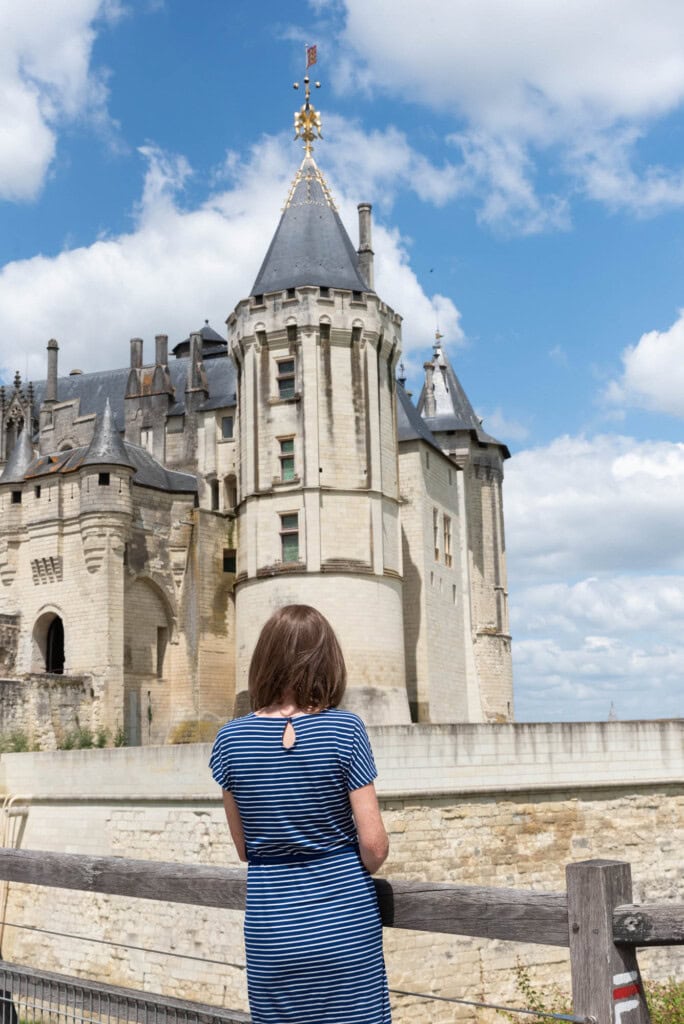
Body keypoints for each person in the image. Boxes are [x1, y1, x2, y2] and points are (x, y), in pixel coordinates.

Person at [210, 603, 391, 1024]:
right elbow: (375, 846)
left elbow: (243, 848)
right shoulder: (346, 730)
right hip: (344, 922)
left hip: (271, 929)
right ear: (327, 661)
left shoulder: (230, 740)